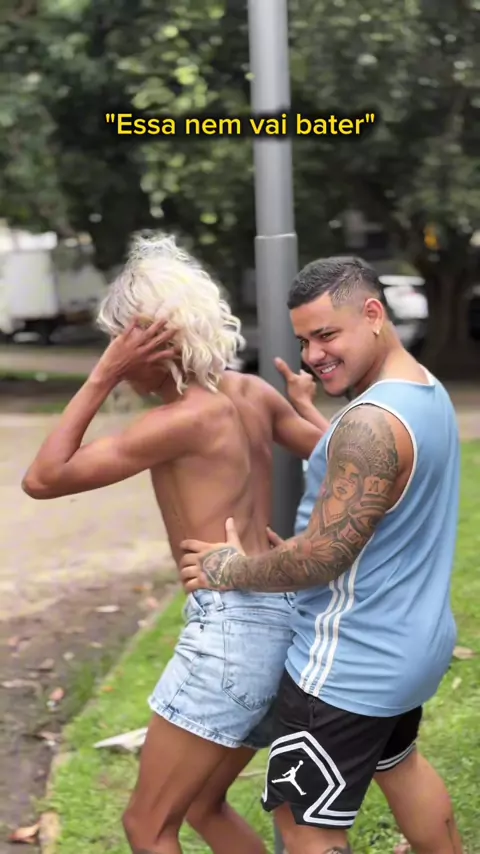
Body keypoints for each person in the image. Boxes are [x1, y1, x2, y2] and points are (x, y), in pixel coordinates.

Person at [21, 232, 330, 854]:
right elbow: (349, 462)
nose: (116, 356)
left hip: (230, 630)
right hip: (280, 622)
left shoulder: (178, 420)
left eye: (119, 343)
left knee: (148, 825)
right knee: (202, 806)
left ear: (149, 345)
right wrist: (308, 409)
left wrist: (102, 375)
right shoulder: (252, 394)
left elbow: (43, 478)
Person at [180, 256, 463, 854]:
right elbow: (378, 512)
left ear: (373, 314)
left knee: (305, 826)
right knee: (401, 767)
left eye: (327, 335)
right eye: (305, 340)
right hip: (411, 648)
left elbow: (320, 559)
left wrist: (231, 568)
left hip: (346, 665)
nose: (313, 355)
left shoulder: (369, 425)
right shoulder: (426, 392)